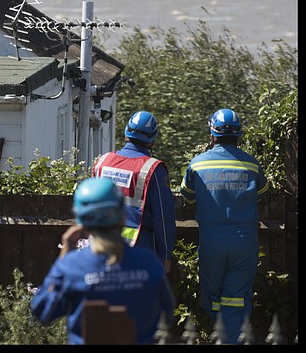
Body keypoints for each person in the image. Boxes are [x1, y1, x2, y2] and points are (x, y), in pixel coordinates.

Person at [30, 177, 176, 345]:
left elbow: (43, 312)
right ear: (122, 216)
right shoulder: (149, 262)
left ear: (81, 220)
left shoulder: (71, 266)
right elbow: (167, 311)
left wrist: (64, 256)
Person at [179, 108, 268, 344]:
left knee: (211, 297)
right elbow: (263, 192)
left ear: (212, 135)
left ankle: (223, 333)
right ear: (239, 135)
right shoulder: (251, 164)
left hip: (211, 240)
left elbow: (187, 195)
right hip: (243, 240)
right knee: (236, 299)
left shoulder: (197, 164)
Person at [92, 110, 176, 273]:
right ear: (152, 140)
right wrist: (166, 254)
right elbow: (163, 217)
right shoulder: (154, 169)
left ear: (126, 133)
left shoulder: (102, 162)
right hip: (140, 246)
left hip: (102, 243)